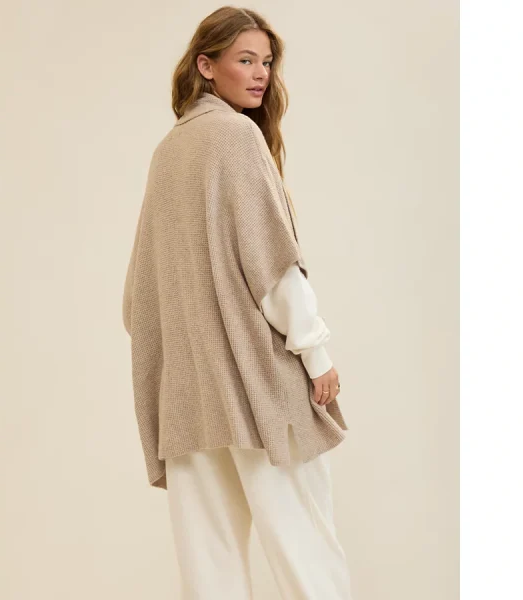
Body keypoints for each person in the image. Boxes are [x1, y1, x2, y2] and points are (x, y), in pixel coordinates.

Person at [122, 6, 353, 599]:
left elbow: (137, 299)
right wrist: (316, 353)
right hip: (256, 387)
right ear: (207, 66)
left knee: (210, 566)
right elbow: (271, 265)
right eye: (245, 60)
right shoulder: (235, 135)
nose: (260, 74)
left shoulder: (168, 151)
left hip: (187, 396)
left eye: (266, 62)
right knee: (305, 548)